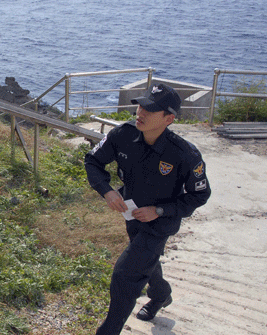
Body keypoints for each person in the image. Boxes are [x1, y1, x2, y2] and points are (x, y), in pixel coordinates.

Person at [84, 83, 211, 334]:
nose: (140, 113)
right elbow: (93, 161)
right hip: (132, 214)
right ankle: (161, 295)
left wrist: (160, 211)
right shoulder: (123, 135)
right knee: (145, 261)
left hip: (160, 224)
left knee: (125, 276)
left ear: (169, 119)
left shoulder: (185, 154)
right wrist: (107, 191)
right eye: (140, 106)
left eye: (150, 110)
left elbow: (200, 194)